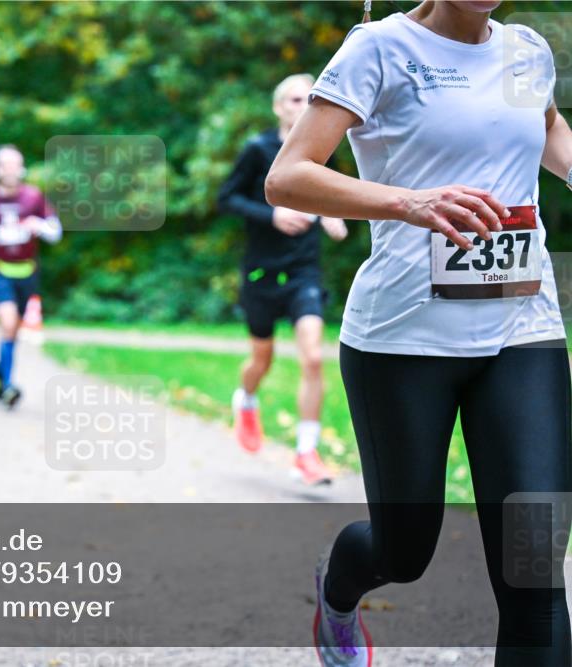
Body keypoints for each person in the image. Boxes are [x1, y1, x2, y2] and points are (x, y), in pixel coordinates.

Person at [265, 2, 572, 665]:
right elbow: (286, 177)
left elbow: (550, 134)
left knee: (536, 574)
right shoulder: (379, 48)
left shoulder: (527, 51)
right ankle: (339, 591)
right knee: (404, 551)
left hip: (525, 327)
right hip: (403, 341)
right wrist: (411, 201)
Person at [218, 73, 349, 486]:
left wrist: (333, 213)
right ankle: (247, 400)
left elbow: (335, 194)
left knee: (313, 356)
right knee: (262, 359)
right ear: (278, 107)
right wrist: (271, 214)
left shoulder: (323, 153)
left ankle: (306, 453)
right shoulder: (259, 150)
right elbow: (227, 198)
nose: (303, 106)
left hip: (304, 270)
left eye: (311, 99)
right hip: (261, 270)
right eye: (295, 99)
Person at [0, 145, 62, 409]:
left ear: (22, 168)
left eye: (14, 164)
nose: (10, 169)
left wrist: (37, 226)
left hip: (27, 270)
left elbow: (55, 231)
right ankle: (7, 385)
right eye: (5, 164)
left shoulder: (33, 196)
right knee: (7, 323)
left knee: (14, 329)